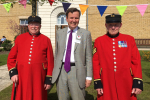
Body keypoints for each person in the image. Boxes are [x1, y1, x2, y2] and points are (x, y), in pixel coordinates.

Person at [93, 13, 143, 100]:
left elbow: (136, 61)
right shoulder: (99, 41)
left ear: (120, 25)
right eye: (110, 25)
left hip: (126, 79)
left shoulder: (129, 39)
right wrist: (97, 81)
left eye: (116, 25)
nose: (113, 27)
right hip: (106, 79)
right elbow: (95, 62)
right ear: (106, 25)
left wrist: (137, 81)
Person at [7, 16, 54, 100]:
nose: (33, 26)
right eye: (31, 24)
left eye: (36, 24)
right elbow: (11, 57)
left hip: (39, 75)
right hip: (21, 74)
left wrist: (48, 79)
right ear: (28, 26)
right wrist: (13, 72)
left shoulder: (46, 40)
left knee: (38, 95)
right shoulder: (19, 38)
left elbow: (50, 61)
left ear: (40, 26)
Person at [52, 8, 93, 100]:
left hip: (77, 70)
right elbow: (57, 53)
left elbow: (89, 57)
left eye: (76, 18)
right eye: (71, 18)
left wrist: (89, 77)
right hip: (61, 70)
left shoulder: (85, 34)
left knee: (78, 97)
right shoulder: (59, 33)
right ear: (66, 18)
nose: (74, 20)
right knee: (62, 97)